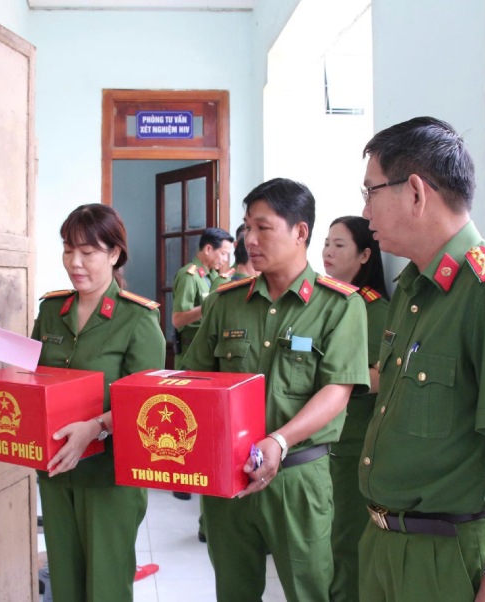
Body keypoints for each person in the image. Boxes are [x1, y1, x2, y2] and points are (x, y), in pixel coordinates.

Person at [357, 117, 485, 602]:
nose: (365, 211)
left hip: (442, 558)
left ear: (416, 192)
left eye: (371, 192)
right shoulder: (414, 288)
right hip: (382, 542)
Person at [180, 178, 370, 602]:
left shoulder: (340, 306)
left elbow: (336, 391)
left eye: (262, 228)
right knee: (234, 589)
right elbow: (195, 379)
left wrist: (280, 441)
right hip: (227, 477)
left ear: (300, 231)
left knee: (309, 591)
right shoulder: (224, 301)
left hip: (298, 478)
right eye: (247, 228)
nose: (250, 240)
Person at [0, 204, 165, 601]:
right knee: (65, 583)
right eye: (68, 249)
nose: (75, 262)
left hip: (109, 477)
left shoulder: (138, 319)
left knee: (106, 585)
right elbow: (30, 381)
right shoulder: (53, 310)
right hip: (56, 470)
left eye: (88, 252)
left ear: (114, 254)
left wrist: (97, 426)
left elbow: (148, 406)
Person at [322, 216, 390, 602]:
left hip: (352, 441)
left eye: (339, 245)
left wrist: (334, 381)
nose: (328, 252)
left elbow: (383, 377)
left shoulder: (374, 309)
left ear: (365, 254)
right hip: (321, 440)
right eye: (327, 243)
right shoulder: (327, 301)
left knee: (345, 538)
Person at [171, 226, 235, 357]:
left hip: (210, 349)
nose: (225, 260)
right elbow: (177, 320)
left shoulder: (214, 277)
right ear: (208, 249)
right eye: (223, 254)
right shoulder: (189, 275)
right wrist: (208, 306)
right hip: (191, 350)